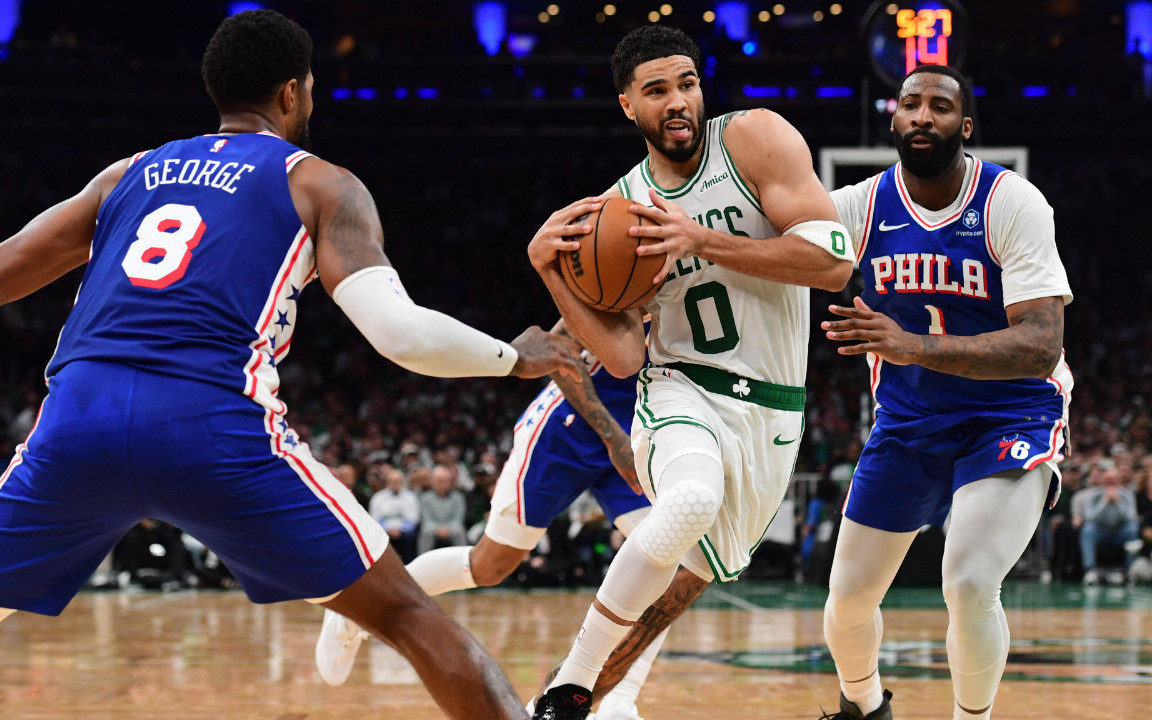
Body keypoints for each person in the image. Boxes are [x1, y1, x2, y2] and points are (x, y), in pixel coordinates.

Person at [0, 11, 582, 720]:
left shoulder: (128, 174)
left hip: (75, 424)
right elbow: (398, 334)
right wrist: (513, 356)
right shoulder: (320, 183)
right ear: (292, 93)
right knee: (410, 620)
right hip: (210, 426)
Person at [525, 25, 853, 719]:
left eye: (687, 84)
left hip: (771, 411)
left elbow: (834, 262)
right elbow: (622, 355)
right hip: (682, 389)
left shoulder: (755, 139)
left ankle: (570, 698)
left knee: (678, 592)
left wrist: (699, 239)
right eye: (657, 91)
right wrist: (549, 269)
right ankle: (567, 689)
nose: (677, 102)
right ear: (628, 106)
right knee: (690, 500)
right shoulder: (619, 210)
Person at [817, 64, 1072, 720]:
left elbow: (1041, 344)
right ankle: (865, 708)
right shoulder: (857, 208)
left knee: (967, 582)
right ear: (893, 119)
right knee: (845, 602)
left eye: (939, 105)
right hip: (907, 421)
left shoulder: (1012, 202)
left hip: (1009, 413)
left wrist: (908, 346)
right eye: (910, 104)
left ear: (966, 125)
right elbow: (766, 245)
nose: (922, 115)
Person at [317, 323, 667, 720]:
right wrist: (612, 438)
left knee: (663, 562)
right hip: (567, 428)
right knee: (490, 565)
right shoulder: (626, 270)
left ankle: (620, 703)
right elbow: (555, 349)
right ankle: (357, 609)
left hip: (634, 428)